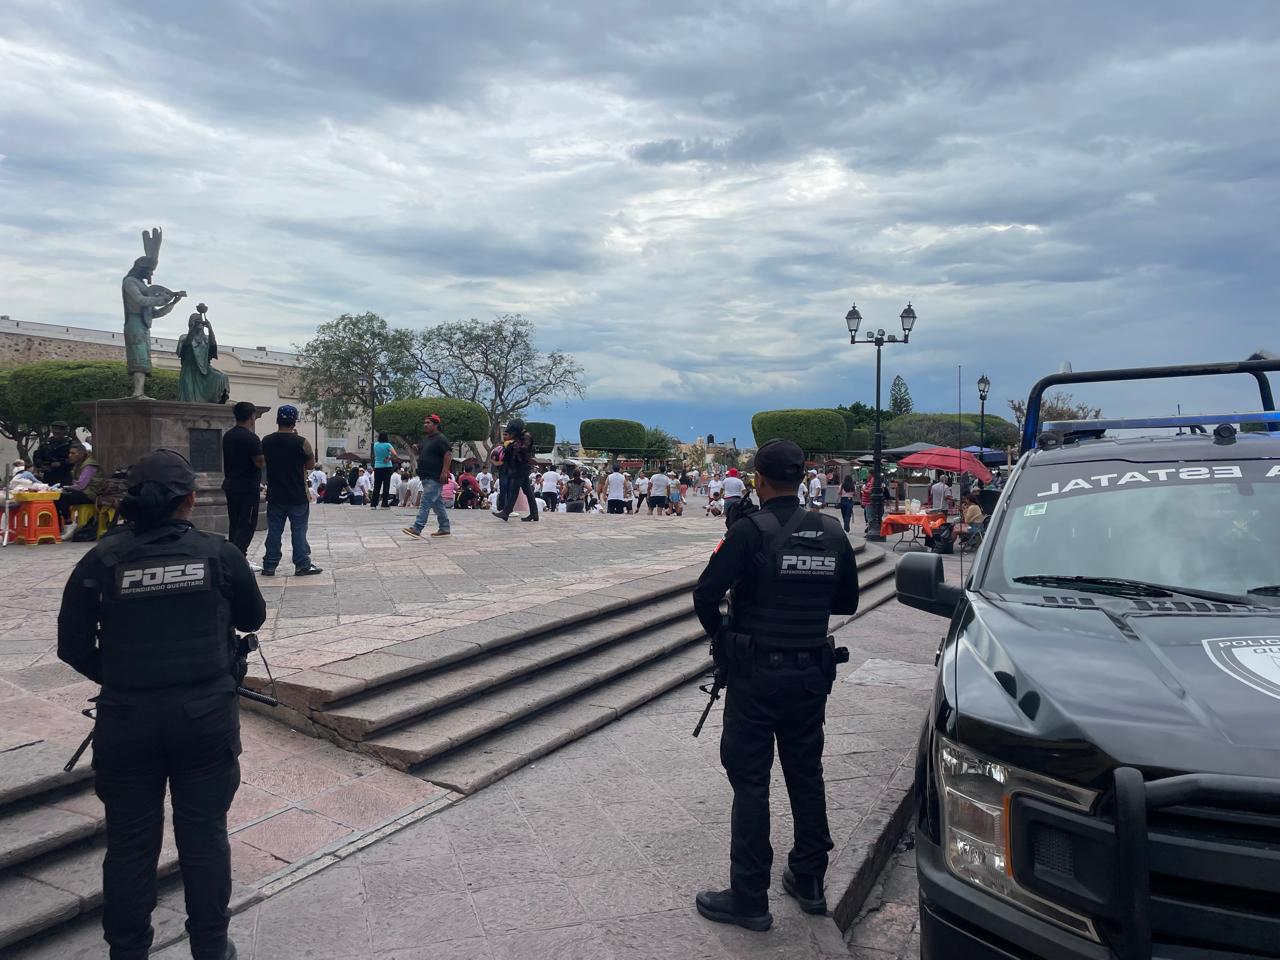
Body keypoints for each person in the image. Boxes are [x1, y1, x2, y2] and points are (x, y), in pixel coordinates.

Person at [57, 448, 266, 960]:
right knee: (204, 836)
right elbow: (252, 618)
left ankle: (128, 951)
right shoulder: (218, 554)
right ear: (190, 500)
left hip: (126, 719)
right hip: (205, 717)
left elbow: (72, 645)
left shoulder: (102, 559)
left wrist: (125, 676)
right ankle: (211, 948)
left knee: (130, 844)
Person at [691, 438, 859, 932]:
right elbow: (846, 601)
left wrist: (726, 637)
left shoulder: (748, 532)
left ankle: (749, 896)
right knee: (806, 773)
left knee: (750, 781)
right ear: (802, 477)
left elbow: (705, 594)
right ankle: (808, 878)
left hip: (757, 673)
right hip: (810, 674)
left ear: (759, 481)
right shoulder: (831, 532)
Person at [260, 404, 322, 577]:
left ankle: (269, 565)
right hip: (297, 494)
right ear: (294, 421)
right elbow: (310, 465)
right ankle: (302, 564)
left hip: (275, 494)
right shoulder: (301, 442)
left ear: (277, 420)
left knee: (274, 531)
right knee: (299, 531)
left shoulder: (266, 441)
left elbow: (262, 462)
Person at [221, 402, 266, 568]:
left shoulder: (228, 435)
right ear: (252, 417)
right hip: (247, 486)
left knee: (235, 522)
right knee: (246, 524)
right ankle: (239, 559)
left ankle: (232, 556)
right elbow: (259, 461)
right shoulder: (251, 437)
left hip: (231, 484)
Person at [403, 413, 452, 539]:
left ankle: (417, 527)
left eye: (428, 423)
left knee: (425, 501)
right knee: (437, 504)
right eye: (424, 422)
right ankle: (444, 528)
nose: (425, 425)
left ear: (436, 425)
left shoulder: (441, 438)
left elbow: (447, 454)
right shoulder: (426, 439)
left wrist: (445, 471)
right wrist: (416, 447)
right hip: (425, 476)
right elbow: (422, 450)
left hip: (435, 476)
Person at [494, 419, 538, 523]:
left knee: (514, 490)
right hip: (519, 466)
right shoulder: (520, 437)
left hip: (522, 467)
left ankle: (506, 512)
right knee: (527, 491)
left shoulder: (526, 436)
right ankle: (534, 513)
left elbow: (523, 448)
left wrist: (511, 445)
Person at [58, 443, 105, 534]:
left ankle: (69, 523)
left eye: (73, 453)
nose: (70, 455)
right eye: (69, 453)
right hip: (84, 491)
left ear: (81, 454)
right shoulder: (78, 464)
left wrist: (66, 488)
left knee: (62, 497)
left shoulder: (89, 465)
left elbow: (81, 486)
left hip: (91, 494)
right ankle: (60, 526)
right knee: (56, 498)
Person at [33, 420, 74, 487]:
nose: (57, 432)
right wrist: (42, 465)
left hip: (65, 475)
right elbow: (37, 457)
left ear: (66, 431)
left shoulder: (71, 444)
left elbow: (75, 459)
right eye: (55, 429)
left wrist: (61, 463)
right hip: (48, 475)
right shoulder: (46, 444)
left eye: (61, 430)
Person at [370, 432, 400, 509]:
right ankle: (384, 503)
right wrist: (389, 458)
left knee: (377, 485)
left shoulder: (376, 445)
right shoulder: (388, 445)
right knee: (386, 485)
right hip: (387, 467)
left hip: (377, 466)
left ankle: (373, 504)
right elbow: (395, 454)